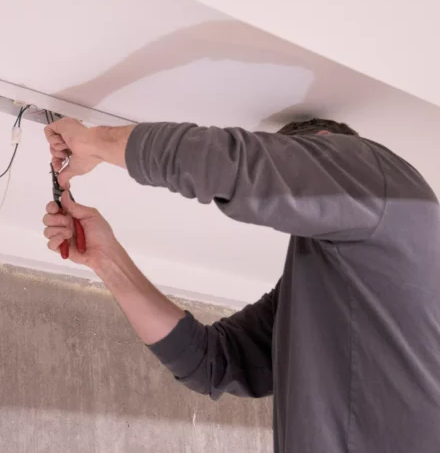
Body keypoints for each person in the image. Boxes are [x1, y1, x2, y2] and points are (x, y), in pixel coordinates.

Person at [42, 118, 440, 453]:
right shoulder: (329, 289)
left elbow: (232, 164)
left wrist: (95, 142)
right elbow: (211, 361)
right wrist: (106, 257)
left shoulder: (380, 179)